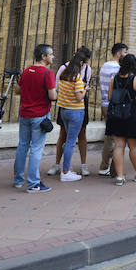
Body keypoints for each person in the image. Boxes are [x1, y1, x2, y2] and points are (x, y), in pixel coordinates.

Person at [13, 43, 56, 193]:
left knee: (22, 146)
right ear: (43, 56)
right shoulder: (47, 73)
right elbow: (52, 96)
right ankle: (33, 183)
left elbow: (18, 90)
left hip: (24, 113)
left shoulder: (26, 71)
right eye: (51, 54)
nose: (53, 57)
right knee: (36, 149)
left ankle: (18, 180)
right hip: (39, 115)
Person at [48, 46, 93, 178]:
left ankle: (82, 165)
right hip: (73, 106)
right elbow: (57, 87)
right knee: (64, 136)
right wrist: (84, 90)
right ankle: (61, 166)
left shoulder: (87, 70)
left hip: (73, 105)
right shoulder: (64, 68)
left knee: (81, 134)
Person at [106, 54, 136, 185]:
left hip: (116, 116)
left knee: (119, 146)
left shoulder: (114, 79)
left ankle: (119, 177)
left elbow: (109, 97)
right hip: (131, 115)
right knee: (134, 147)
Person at [98, 43, 128, 176]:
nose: (126, 55)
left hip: (104, 104)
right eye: (125, 52)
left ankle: (105, 166)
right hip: (112, 105)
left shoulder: (104, 66)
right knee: (114, 138)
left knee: (109, 136)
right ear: (119, 53)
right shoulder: (116, 69)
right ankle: (107, 167)